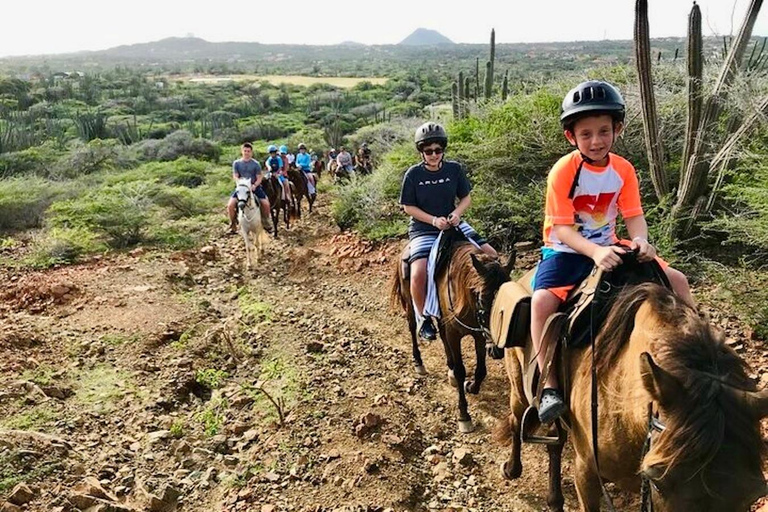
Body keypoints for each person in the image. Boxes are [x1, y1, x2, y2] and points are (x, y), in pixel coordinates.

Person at [531, 80, 694, 424]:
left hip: (610, 245)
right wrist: (593, 252)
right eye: (586, 133)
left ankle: (698, 357)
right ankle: (548, 384)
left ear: (617, 129)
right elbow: (561, 228)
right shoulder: (563, 171)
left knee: (677, 281)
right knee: (542, 302)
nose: (596, 140)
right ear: (571, 136)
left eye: (604, 131)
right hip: (568, 249)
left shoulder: (622, 170)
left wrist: (641, 241)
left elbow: (634, 215)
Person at [399, 122, 498, 341]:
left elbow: (466, 197)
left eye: (438, 150)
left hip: (453, 224)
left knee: (491, 255)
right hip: (424, 229)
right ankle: (424, 317)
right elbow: (408, 207)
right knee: (418, 273)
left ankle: (489, 307)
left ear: (443, 149)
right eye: (428, 151)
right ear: (421, 152)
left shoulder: (454, 169)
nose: (434, 155)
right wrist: (433, 220)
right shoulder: (413, 174)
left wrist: (457, 213)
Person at [227, 142, 273, 234]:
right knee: (230, 205)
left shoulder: (256, 164)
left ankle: (266, 222)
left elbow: (259, 177)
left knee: (266, 203)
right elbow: (235, 176)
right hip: (241, 188)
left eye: (248, 151)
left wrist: (255, 185)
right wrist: (239, 184)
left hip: (253, 187)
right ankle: (233, 225)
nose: (246, 153)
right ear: (242, 151)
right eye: (245, 151)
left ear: (251, 152)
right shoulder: (236, 163)